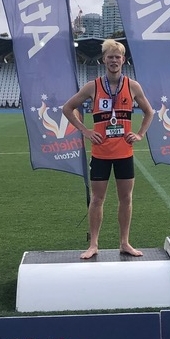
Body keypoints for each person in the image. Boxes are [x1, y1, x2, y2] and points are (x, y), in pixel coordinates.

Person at [62, 39, 154, 259]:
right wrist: (85, 130)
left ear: (123, 60)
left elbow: (149, 112)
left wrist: (139, 134)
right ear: (103, 59)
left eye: (118, 57)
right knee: (97, 199)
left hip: (124, 153)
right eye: (110, 57)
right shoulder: (92, 86)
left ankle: (124, 242)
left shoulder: (132, 86)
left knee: (126, 199)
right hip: (101, 153)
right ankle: (94, 244)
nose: (114, 61)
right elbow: (67, 108)